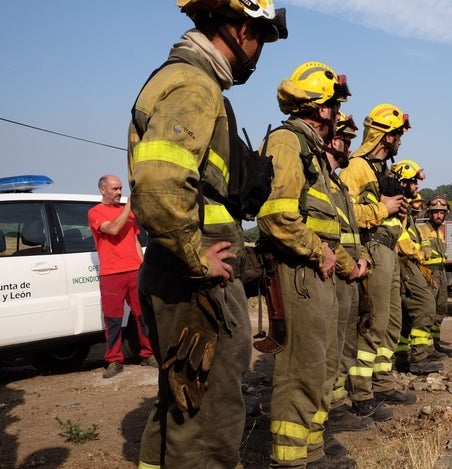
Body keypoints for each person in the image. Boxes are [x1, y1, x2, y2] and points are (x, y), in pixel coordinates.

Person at [127, 2, 286, 467]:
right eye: (260, 37)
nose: (259, 52)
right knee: (209, 420)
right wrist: (197, 256)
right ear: (239, 29)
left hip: (177, 271)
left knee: (181, 404)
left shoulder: (182, 78)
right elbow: (158, 182)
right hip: (196, 282)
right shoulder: (195, 84)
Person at [256, 62, 358, 468]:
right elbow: (277, 216)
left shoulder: (311, 152)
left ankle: (312, 449)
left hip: (317, 272)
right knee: (301, 370)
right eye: (335, 107)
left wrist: (336, 259)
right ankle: (291, 460)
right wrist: (319, 254)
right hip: (299, 272)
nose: (338, 116)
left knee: (321, 366)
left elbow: (327, 227)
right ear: (321, 109)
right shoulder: (287, 142)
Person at [340, 103, 414, 421]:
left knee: (392, 323)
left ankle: (382, 383)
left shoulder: (380, 171)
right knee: (373, 323)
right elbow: (343, 211)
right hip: (371, 250)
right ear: (385, 136)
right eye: (397, 134)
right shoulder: (355, 168)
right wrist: (383, 209)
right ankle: (361, 394)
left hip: (389, 251)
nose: (401, 141)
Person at [323, 113, 374, 433]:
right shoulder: (321, 182)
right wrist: (349, 265)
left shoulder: (338, 183)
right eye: (343, 139)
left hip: (352, 273)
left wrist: (364, 258)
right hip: (338, 276)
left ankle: (338, 403)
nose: (349, 146)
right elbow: (324, 235)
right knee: (332, 347)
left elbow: (352, 231)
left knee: (347, 344)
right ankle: (330, 408)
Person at [87, 175, 156, 378]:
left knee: (143, 316)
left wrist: (143, 266)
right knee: (113, 320)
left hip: (134, 271)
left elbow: (135, 240)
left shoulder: (127, 213)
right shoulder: (95, 212)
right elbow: (114, 228)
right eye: (115, 189)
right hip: (111, 274)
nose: (119, 192)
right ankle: (114, 360)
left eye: (120, 189)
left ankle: (148, 354)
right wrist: (129, 205)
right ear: (102, 190)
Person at [392, 159, 444, 374]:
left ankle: (404, 356)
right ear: (403, 183)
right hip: (405, 262)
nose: (417, 187)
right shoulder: (397, 206)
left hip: (407, 263)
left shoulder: (401, 207)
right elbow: (400, 238)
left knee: (406, 313)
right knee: (424, 306)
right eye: (414, 182)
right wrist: (418, 253)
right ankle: (419, 358)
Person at [419, 196, 451, 353]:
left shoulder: (440, 232)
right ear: (429, 214)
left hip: (441, 273)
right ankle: (426, 346)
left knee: (440, 310)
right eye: (435, 213)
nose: (439, 215)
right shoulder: (422, 230)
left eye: (441, 213)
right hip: (429, 275)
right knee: (428, 311)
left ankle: (435, 343)